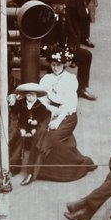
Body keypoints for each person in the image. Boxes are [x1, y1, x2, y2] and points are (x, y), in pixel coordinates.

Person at [29, 50, 95, 182]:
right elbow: (42, 99)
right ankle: (37, 171)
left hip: (67, 115)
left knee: (52, 138)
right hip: (51, 112)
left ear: (64, 65)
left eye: (58, 65)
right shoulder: (46, 79)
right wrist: (51, 109)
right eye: (53, 64)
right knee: (41, 133)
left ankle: (75, 163)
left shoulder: (70, 79)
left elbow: (68, 104)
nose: (55, 68)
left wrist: (57, 121)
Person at [9, 83, 50, 184]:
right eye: (28, 95)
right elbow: (14, 110)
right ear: (25, 95)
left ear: (36, 96)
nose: (30, 98)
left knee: (35, 133)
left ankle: (31, 164)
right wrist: (15, 100)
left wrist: (37, 120)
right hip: (23, 124)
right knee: (20, 133)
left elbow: (45, 115)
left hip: (34, 125)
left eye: (33, 95)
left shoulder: (40, 105)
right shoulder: (22, 103)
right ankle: (14, 166)